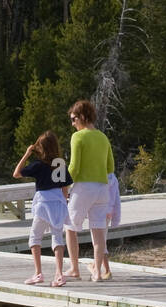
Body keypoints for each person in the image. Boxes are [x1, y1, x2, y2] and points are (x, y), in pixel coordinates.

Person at [62, 99, 115, 282]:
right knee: (98, 231)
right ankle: (97, 272)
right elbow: (110, 166)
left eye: (73, 119)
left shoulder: (78, 137)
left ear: (82, 117)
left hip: (84, 187)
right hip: (102, 188)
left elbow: (74, 167)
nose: (72, 123)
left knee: (70, 227)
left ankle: (74, 268)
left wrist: (64, 185)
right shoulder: (103, 137)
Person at [13, 132, 73, 287]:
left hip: (43, 204)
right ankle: (59, 274)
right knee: (57, 237)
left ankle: (38, 273)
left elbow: (17, 173)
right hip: (58, 202)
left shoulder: (38, 165)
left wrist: (27, 153)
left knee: (34, 238)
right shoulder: (60, 164)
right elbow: (65, 187)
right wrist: (64, 202)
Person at [95, 170, 121, 281]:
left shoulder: (96, 175)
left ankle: (106, 270)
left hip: (98, 210)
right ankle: (102, 268)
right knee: (102, 241)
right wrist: (116, 218)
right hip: (108, 212)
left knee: (99, 242)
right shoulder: (113, 178)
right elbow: (116, 199)